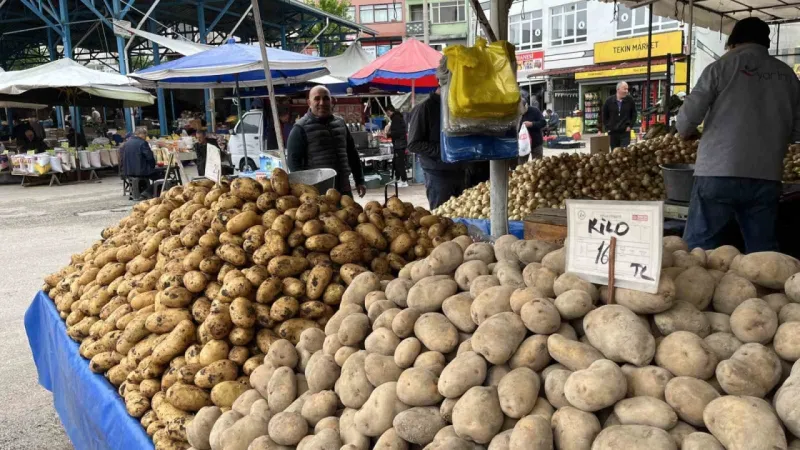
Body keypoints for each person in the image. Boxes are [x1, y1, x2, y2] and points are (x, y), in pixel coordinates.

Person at [677, 17, 800, 252]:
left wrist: (689, 133)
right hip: (766, 174)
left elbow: (685, 121)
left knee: (699, 249)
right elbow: (796, 131)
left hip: (718, 171)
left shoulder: (721, 67)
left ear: (733, 41)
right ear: (766, 42)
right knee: (762, 253)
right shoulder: (787, 75)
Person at [286, 86, 366, 198]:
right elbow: (293, 163)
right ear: (309, 102)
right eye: (317, 99)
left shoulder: (341, 123)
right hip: (318, 194)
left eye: (326, 98)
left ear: (331, 101)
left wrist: (359, 180)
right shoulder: (300, 128)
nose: (322, 102)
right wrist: (305, 190)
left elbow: (352, 154)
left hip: (344, 189)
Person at [408, 88, 466, 209]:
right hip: (437, 174)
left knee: (461, 214)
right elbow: (413, 144)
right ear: (443, 83)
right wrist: (444, 150)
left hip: (460, 171)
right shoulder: (424, 108)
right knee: (441, 216)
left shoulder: (456, 106)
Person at [121, 127, 165, 199]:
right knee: (163, 176)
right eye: (145, 135)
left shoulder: (127, 143)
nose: (145, 137)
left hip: (128, 170)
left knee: (155, 174)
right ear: (141, 134)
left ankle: (140, 191)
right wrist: (153, 166)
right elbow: (149, 157)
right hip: (141, 171)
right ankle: (147, 192)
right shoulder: (142, 143)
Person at [601, 81, 637, 149]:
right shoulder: (609, 101)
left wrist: (630, 126)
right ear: (618, 89)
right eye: (624, 89)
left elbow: (634, 114)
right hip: (613, 132)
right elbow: (604, 115)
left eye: (627, 89)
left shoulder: (630, 100)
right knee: (614, 153)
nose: (626, 91)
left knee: (624, 152)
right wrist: (607, 128)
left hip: (625, 132)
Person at [385, 104, 409, 187]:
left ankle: (404, 180)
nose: (387, 115)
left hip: (400, 144)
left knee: (400, 163)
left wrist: (388, 134)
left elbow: (398, 132)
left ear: (389, 111)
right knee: (396, 162)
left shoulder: (396, 119)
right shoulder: (397, 118)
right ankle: (398, 179)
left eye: (387, 113)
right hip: (399, 144)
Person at [519, 98, 547, 166]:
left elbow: (543, 123)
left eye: (521, 108)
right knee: (521, 166)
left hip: (536, 143)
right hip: (523, 145)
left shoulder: (535, 111)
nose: (520, 111)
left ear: (526, 105)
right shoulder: (516, 114)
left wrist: (532, 124)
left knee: (538, 165)